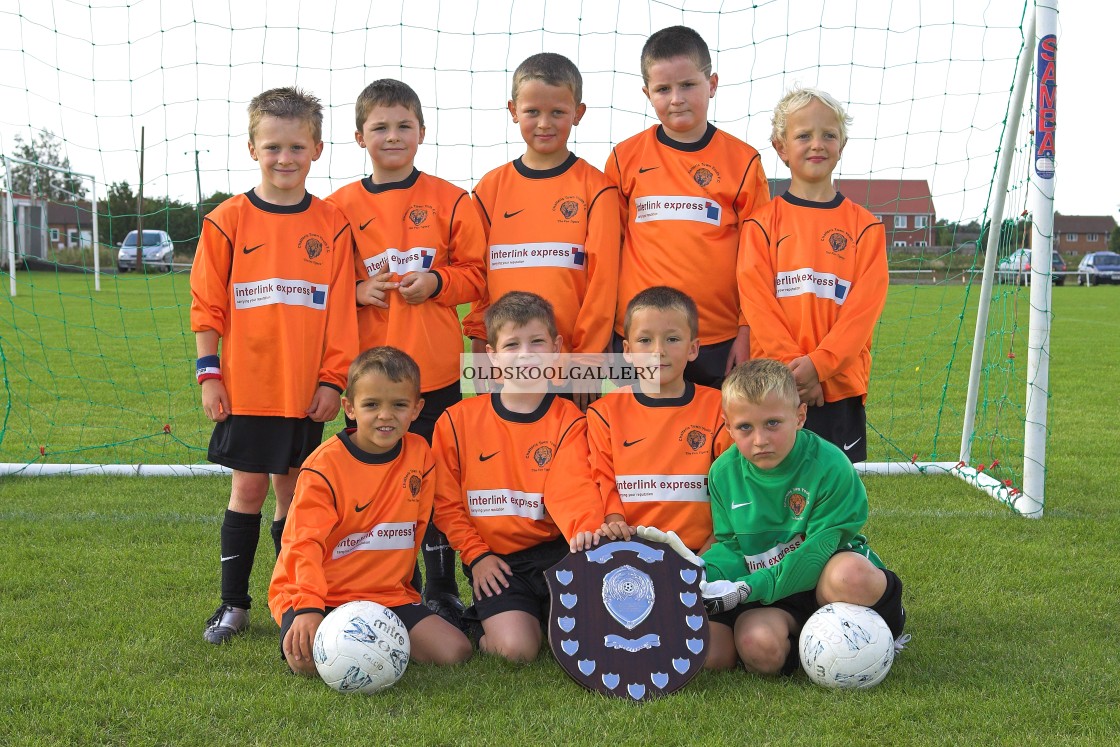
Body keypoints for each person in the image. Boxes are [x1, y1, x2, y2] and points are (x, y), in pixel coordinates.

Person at [191, 86, 358, 645]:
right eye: (272, 147)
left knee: (297, 498)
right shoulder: (226, 220)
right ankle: (233, 605)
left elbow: (340, 311)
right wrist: (209, 374)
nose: (284, 158)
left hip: (304, 391)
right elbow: (206, 306)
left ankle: (295, 602)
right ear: (251, 148)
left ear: (317, 149)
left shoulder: (332, 224)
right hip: (245, 390)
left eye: (296, 146)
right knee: (248, 493)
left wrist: (334, 379)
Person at [327, 78, 487, 625]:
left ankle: (442, 586)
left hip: (434, 372)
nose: (392, 136)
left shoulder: (452, 199)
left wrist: (438, 281)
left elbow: (478, 277)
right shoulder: (337, 208)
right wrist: (352, 290)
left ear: (422, 131)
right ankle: (386, 582)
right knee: (375, 482)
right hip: (368, 380)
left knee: (436, 480)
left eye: (403, 126)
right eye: (380, 128)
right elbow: (321, 282)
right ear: (358, 136)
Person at [268, 347, 472, 675]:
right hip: (323, 594)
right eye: (372, 404)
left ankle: (377, 637)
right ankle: (323, 626)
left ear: (417, 408)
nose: (385, 415)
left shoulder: (420, 454)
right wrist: (307, 605)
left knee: (455, 651)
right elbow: (303, 544)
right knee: (307, 664)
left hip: (386, 594)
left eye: (399, 405)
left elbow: (429, 520)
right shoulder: (324, 467)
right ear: (349, 407)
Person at [700, 358, 905, 674]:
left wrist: (748, 588)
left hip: (824, 580)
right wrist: (698, 573)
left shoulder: (830, 464)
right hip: (774, 593)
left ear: (800, 416)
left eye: (772, 423)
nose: (760, 440)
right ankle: (817, 649)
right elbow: (732, 547)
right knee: (757, 646)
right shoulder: (723, 473)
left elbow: (816, 554)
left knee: (850, 576)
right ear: (728, 426)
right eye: (745, 427)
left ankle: (888, 624)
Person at [432, 291, 606, 663]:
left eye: (537, 341)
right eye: (512, 344)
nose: (525, 354)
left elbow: (575, 488)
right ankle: (486, 623)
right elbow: (445, 504)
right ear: (492, 355)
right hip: (497, 561)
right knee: (516, 650)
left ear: (557, 347)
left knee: (590, 636)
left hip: (557, 555)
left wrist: (586, 531)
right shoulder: (456, 421)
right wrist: (477, 556)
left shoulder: (570, 420)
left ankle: (542, 613)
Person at [604, 25, 770, 388]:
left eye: (688, 85)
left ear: (711, 84)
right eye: (663, 89)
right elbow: (608, 250)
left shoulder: (743, 161)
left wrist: (747, 330)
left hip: (716, 338)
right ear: (647, 93)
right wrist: (607, 330)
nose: (676, 98)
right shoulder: (625, 158)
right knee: (643, 439)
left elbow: (757, 259)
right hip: (640, 339)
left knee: (713, 440)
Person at [738, 87, 888, 463]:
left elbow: (862, 313)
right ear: (780, 146)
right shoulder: (761, 224)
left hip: (837, 388)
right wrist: (796, 373)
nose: (817, 144)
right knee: (775, 496)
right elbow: (757, 303)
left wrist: (819, 368)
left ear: (843, 144)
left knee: (834, 498)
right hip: (774, 388)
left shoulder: (866, 227)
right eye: (803, 135)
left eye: (828, 135)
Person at [464, 52, 620, 410]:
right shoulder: (490, 189)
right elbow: (478, 274)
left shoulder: (597, 189)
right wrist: (478, 342)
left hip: (569, 363)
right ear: (513, 110)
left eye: (558, 113)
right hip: (505, 360)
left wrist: (589, 360)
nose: (544, 123)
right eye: (532, 111)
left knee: (566, 457)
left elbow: (603, 283)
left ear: (577, 114)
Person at [589, 286, 730, 552]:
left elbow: (732, 487)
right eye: (645, 341)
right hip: (628, 551)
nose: (658, 351)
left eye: (672, 339)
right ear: (627, 351)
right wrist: (615, 523)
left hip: (705, 552)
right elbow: (601, 481)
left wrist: (711, 551)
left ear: (693, 348)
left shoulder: (719, 408)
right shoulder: (604, 413)